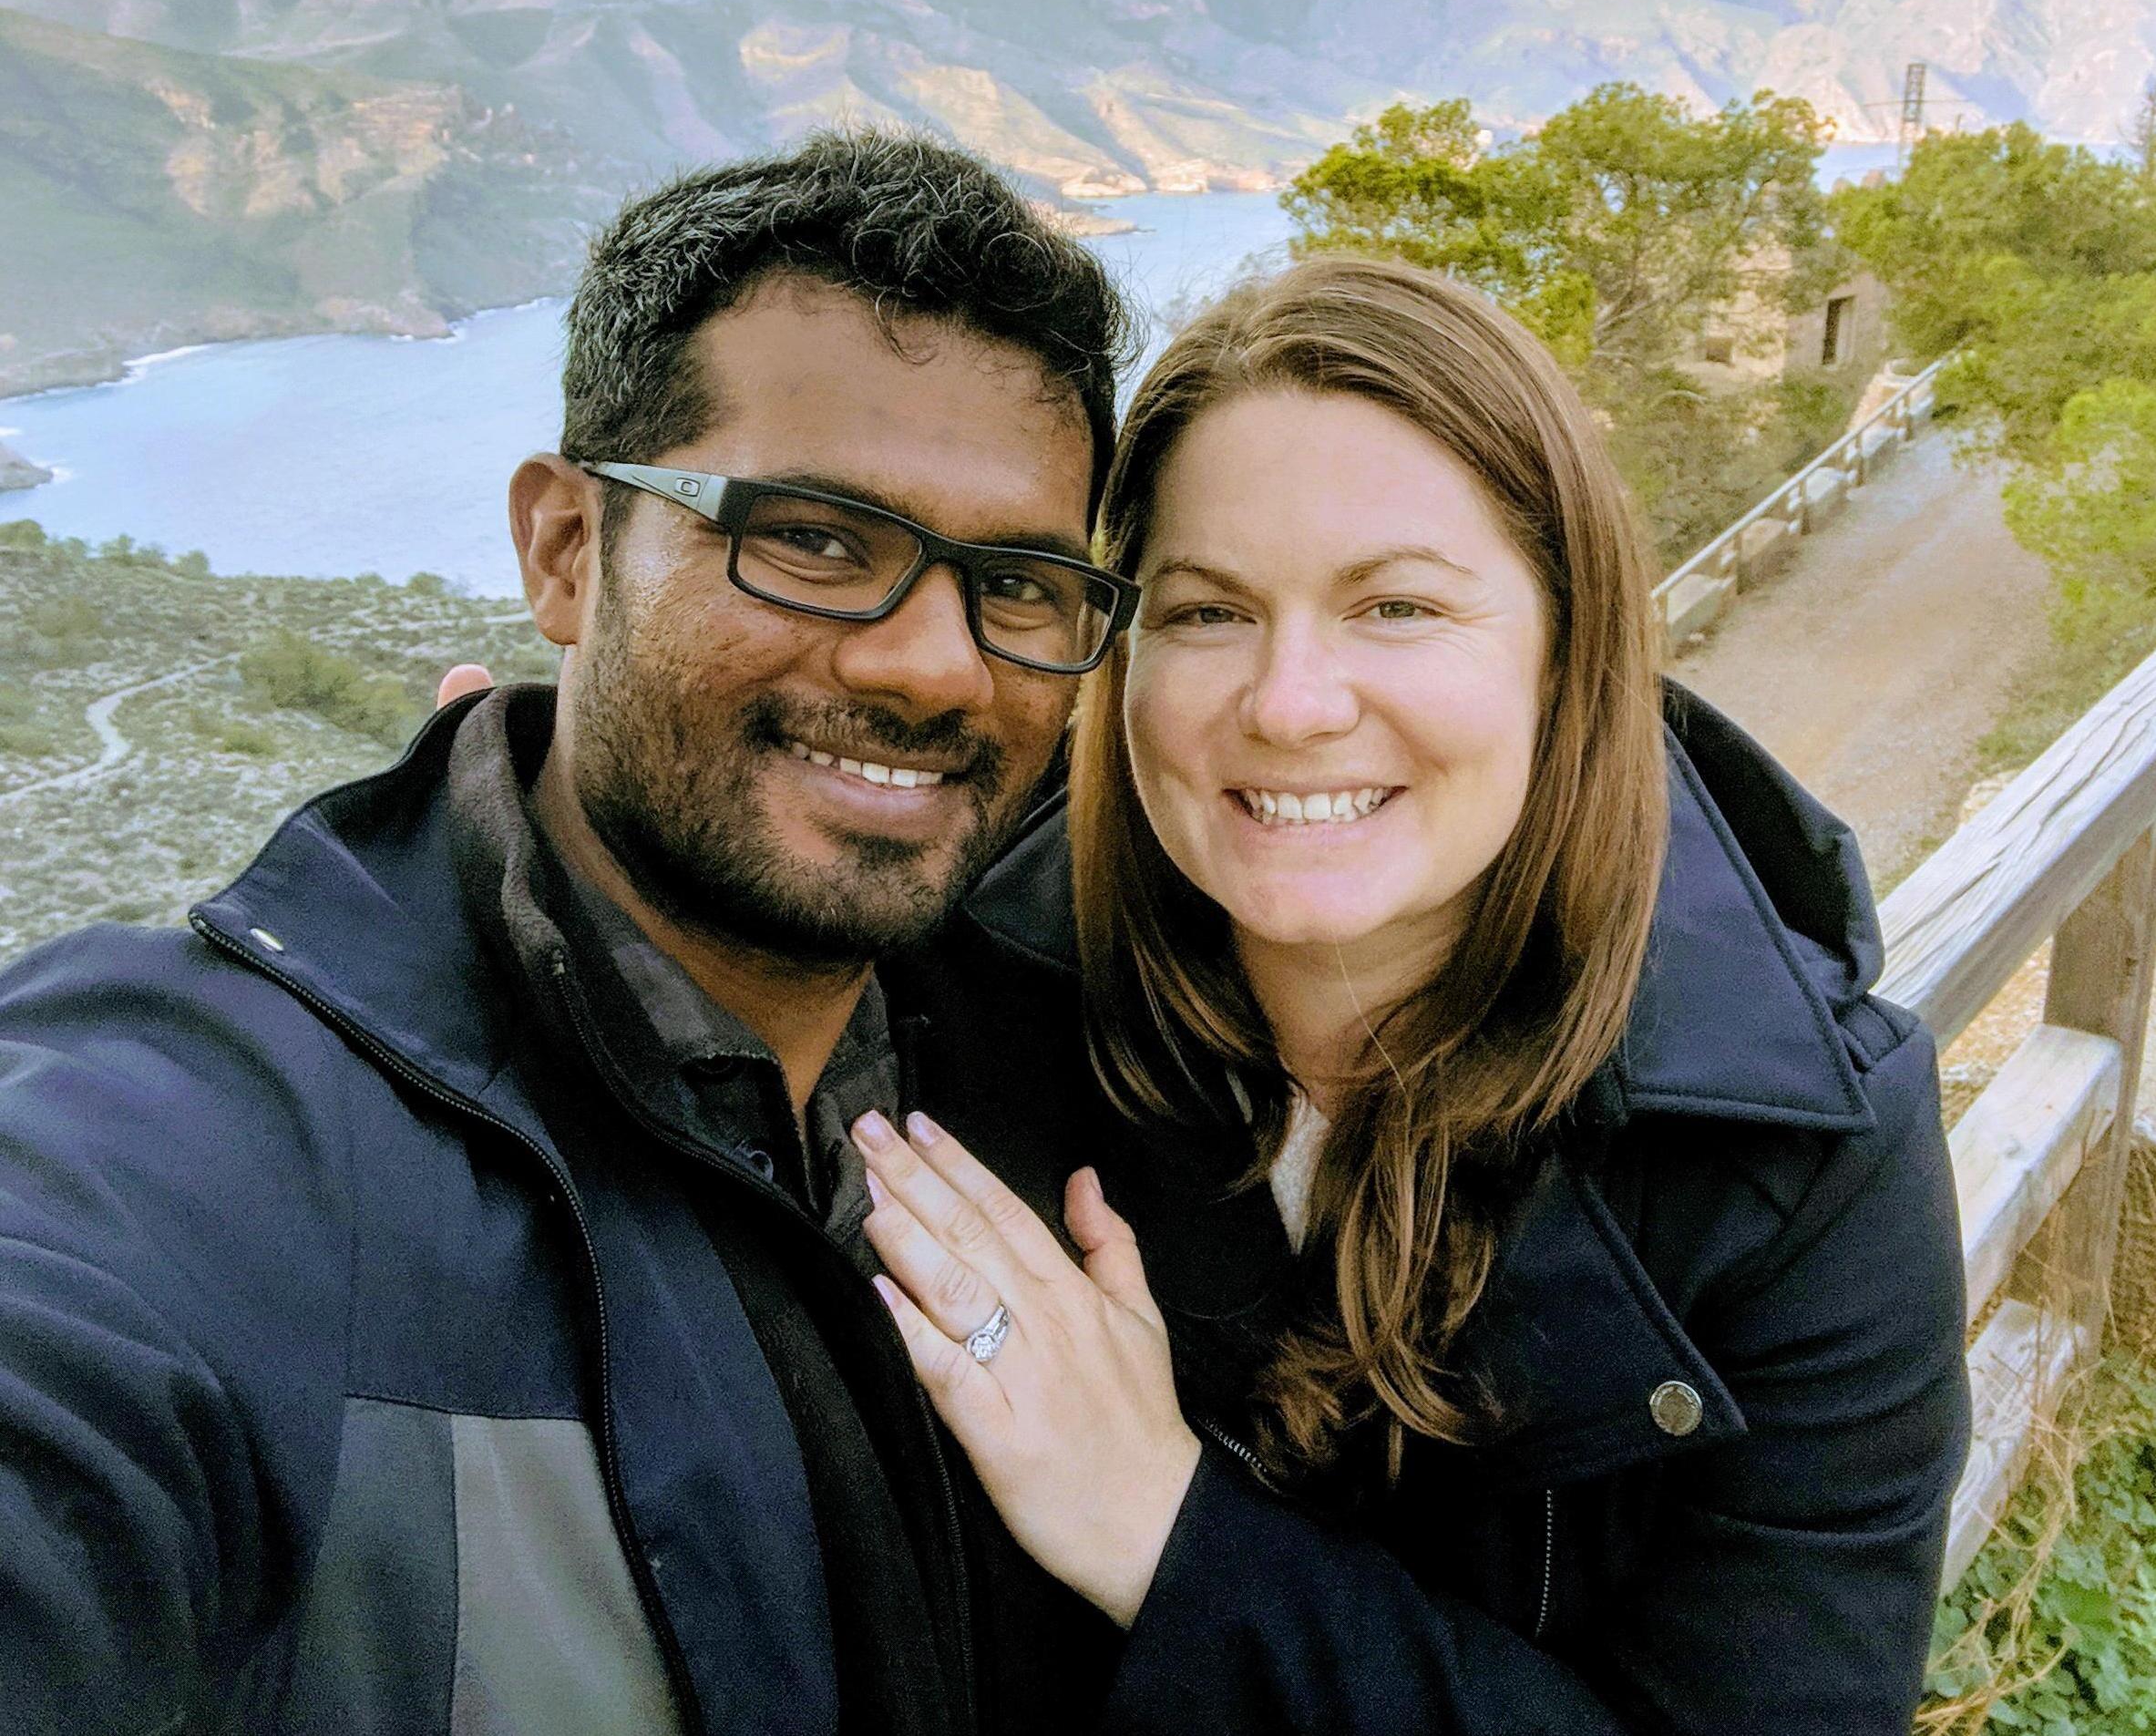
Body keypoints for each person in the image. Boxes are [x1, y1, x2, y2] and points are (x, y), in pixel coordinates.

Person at [0, 131, 1145, 1735]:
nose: (934, 669)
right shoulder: (207, 1147)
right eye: (813, 538)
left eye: (1014, 581)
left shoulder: (1078, 1068)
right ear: (565, 548)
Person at [849, 255, 1973, 1734]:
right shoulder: (949, 975)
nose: (1291, 701)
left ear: (1565, 652)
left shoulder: (1792, 1158)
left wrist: (1164, 1530)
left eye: (1393, 605)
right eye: (1204, 613)